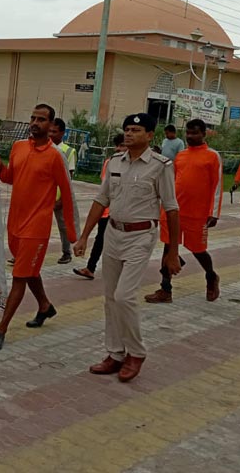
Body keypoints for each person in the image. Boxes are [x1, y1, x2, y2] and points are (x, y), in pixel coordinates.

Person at [73, 112, 180, 382]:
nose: (130, 133)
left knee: (124, 296)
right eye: (127, 129)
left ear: (149, 135)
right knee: (110, 297)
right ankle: (115, 353)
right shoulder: (115, 162)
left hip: (141, 235)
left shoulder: (161, 165)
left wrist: (174, 251)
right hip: (113, 233)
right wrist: (84, 235)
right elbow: (101, 198)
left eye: (136, 129)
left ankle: (136, 352)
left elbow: (171, 208)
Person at [0, 104, 77, 351]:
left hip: (37, 226)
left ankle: (1, 328)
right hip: (15, 222)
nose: (35, 122)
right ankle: (45, 306)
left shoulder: (56, 156)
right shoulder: (18, 147)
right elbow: (11, 178)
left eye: (42, 119)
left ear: (51, 125)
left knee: (19, 275)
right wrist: (0, 166)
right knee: (29, 270)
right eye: (33, 117)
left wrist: (73, 235)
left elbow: (68, 195)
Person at [145, 118, 223, 304]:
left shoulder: (212, 156)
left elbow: (218, 184)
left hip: (198, 213)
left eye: (195, 133)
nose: (190, 136)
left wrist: (214, 212)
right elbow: (171, 183)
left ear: (204, 134)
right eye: (188, 133)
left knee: (198, 250)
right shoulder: (181, 155)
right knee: (168, 247)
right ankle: (166, 288)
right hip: (174, 211)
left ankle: (211, 276)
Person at [73, 133, 125, 280]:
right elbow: (104, 192)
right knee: (101, 239)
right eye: (117, 145)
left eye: (122, 145)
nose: (118, 149)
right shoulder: (110, 162)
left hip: (123, 215)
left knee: (115, 242)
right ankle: (90, 268)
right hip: (106, 211)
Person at [49, 117, 78, 265]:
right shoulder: (43, 148)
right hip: (43, 197)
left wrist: (61, 199)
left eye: (54, 131)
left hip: (59, 198)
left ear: (62, 133)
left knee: (63, 226)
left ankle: (66, 253)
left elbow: (68, 179)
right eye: (49, 131)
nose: (50, 134)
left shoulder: (68, 151)